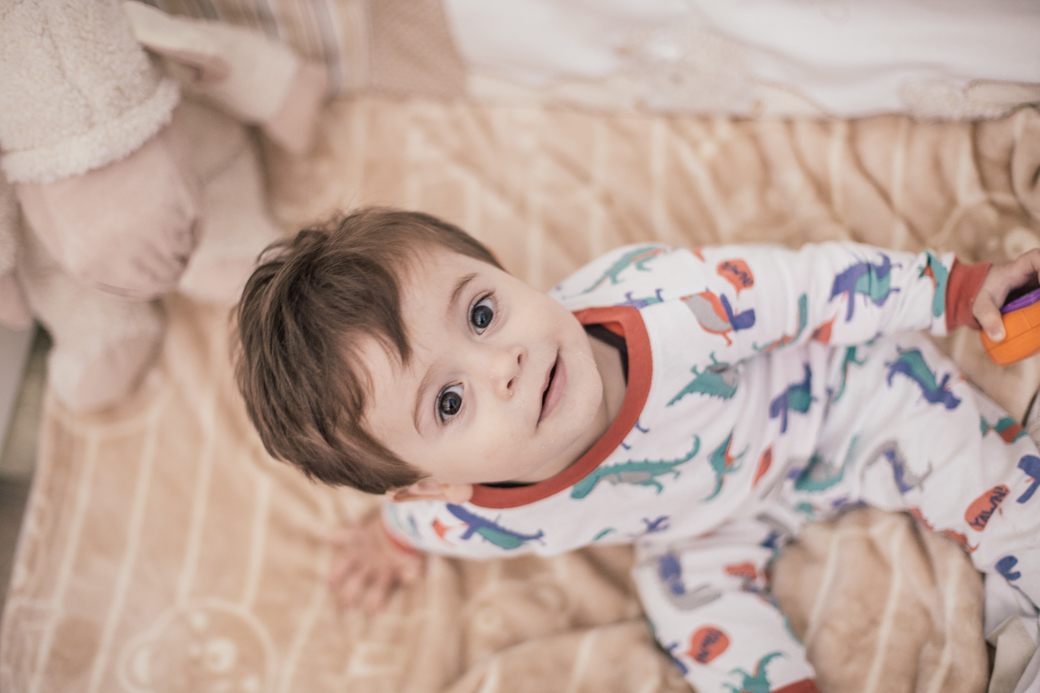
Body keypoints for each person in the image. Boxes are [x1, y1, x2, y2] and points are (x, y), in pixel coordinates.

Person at [235, 207, 1040, 693]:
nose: (502, 361)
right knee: (691, 615)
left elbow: (813, 284)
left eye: (481, 312)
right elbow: (408, 525)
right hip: (695, 524)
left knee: (970, 454)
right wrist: (386, 541)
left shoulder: (672, 305)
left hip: (835, 401)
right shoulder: (460, 520)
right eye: (449, 401)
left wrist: (955, 291)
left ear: (501, 272)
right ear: (434, 483)